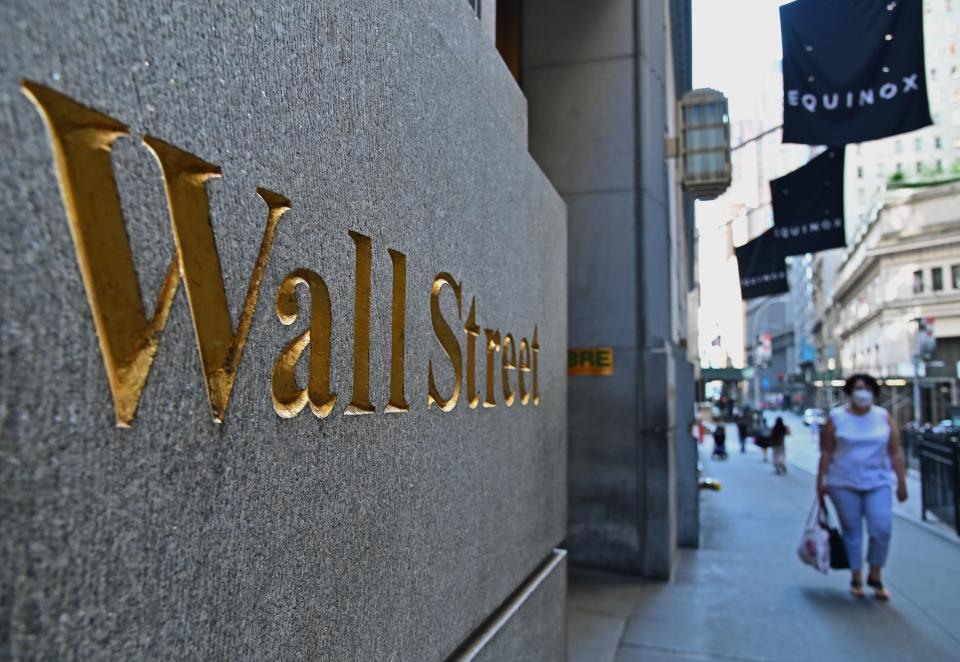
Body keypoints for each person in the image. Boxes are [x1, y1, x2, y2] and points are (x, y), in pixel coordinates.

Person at [816, 374, 908, 601]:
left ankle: (875, 573)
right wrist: (820, 480)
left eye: (867, 388)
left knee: (881, 528)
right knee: (852, 531)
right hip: (843, 482)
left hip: (878, 481)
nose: (863, 392)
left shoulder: (883, 417)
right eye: (858, 388)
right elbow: (826, 452)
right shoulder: (836, 418)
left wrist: (901, 482)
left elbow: (895, 451)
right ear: (850, 392)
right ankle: (856, 576)